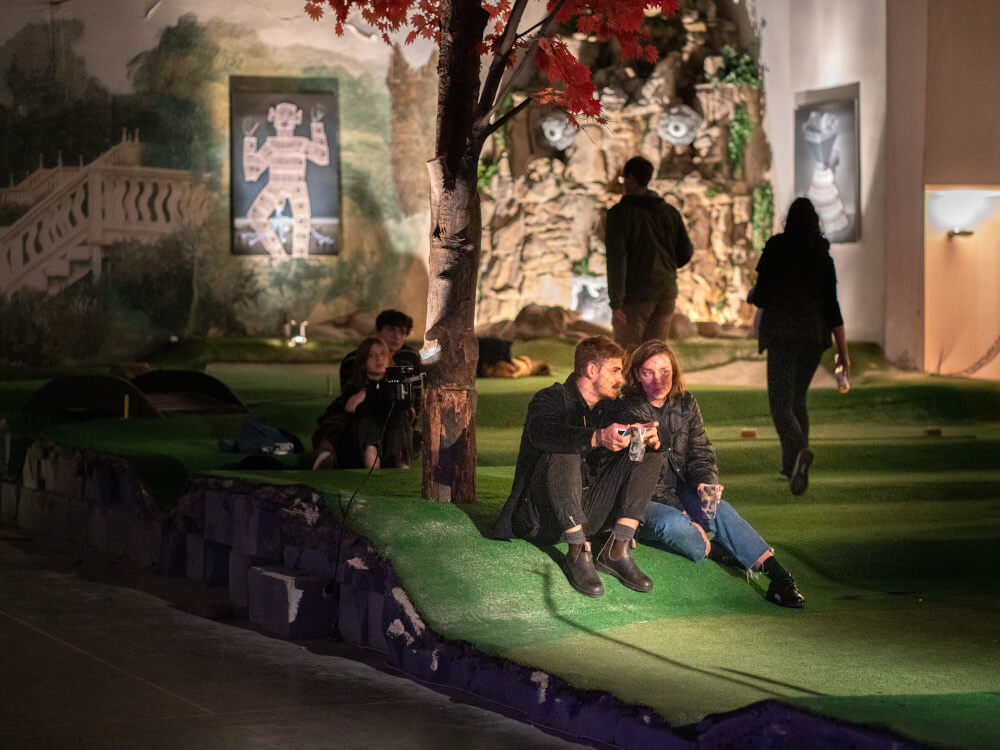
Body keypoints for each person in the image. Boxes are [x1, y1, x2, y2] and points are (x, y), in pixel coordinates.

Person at [618, 340, 805, 608]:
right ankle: (715, 550)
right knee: (674, 525)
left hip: (682, 488)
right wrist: (683, 512)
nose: (658, 380)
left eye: (665, 371)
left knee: (718, 507)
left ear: (674, 372)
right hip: (645, 499)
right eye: (649, 372)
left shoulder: (686, 403)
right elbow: (637, 471)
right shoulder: (628, 408)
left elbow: (700, 450)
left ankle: (778, 576)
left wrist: (706, 482)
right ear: (637, 374)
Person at [490, 336, 663, 598]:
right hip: (543, 517)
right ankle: (577, 551)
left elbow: (651, 430)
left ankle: (618, 548)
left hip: (590, 513)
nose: (621, 379)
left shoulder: (612, 407)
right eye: (615, 370)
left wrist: (652, 435)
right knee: (565, 448)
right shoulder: (550, 398)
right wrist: (597, 437)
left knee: (648, 451)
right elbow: (542, 433)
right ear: (592, 370)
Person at [749, 197, 850, 495]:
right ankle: (790, 466)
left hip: (782, 335)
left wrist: (753, 296)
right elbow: (832, 308)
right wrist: (843, 353)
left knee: (780, 405)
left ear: (788, 220)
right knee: (797, 400)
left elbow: (762, 295)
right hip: (814, 338)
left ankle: (799, 452)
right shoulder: (822, 256)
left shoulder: (776, 248)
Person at [605, 156, 694, 350]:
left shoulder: (619, 214)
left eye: (623, 179)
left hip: (635, 297)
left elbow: (616, 259)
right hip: (666, 293)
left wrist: (616, 302)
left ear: (631, 179)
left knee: (628, 353)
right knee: (654, 355)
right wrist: (666, 267)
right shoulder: (670, 213)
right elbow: (686, 252)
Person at [313, 336, 413, 470]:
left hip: (389, 444)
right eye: (371, 355)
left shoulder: (395, 388)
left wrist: (369, 394)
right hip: (356, 449)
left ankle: (398, 462)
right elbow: (339, 416)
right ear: (363, 363)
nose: (378, 359)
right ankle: (371, 460)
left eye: (382, 354)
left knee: (398, 413)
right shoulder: (353, 391)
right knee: (365, 412)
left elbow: (404, 408)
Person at [339, 309, 420, 392]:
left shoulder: (411, 356)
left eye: (402, 332)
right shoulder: (354, 359)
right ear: (378, 331)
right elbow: (348, 395)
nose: (397, 336)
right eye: (391, 330)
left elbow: (417, 391)